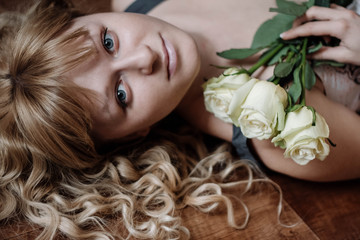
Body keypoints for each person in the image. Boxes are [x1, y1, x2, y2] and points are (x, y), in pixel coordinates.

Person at [0, 0, 359, 239]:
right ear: (131, 135)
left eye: (108, 42)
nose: (145, 57)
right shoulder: (278, 131)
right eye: (121, 95)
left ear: (82, 17)